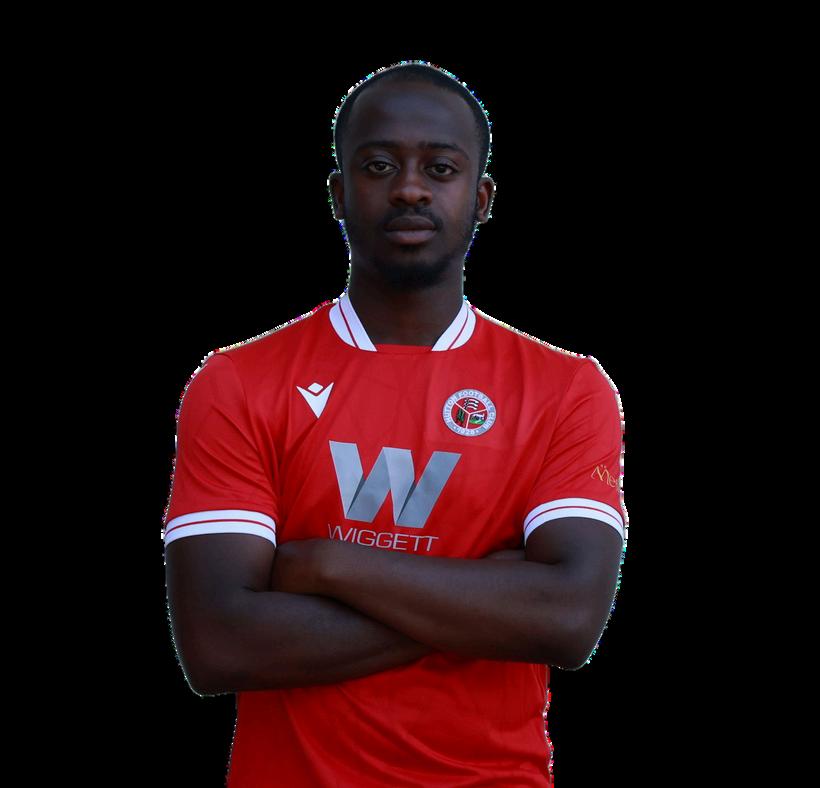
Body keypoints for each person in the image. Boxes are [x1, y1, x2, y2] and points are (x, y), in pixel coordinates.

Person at [162, 59, 627, 788]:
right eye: (379, 166)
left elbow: (568, 622)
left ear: (481, 198)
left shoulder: (568, 389)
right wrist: (488, 600)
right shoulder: (237, 382)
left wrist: (325, 565)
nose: (410, 188)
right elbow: (219, 645)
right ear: (339, 194)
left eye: (440, 168)